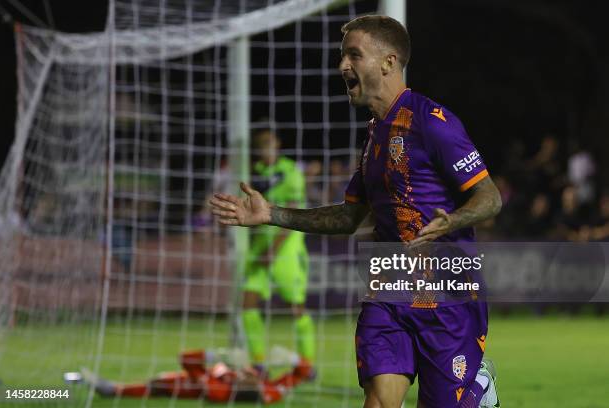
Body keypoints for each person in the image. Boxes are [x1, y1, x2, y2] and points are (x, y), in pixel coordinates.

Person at [211, 15, 502, 408]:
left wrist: (454, 220)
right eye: (342, 55)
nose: (342, 66)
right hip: (390, 285)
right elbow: (349, 216)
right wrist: (272, 214)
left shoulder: (434, 123)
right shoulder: (375, 135)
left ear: (388, 61)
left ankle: (477, 389)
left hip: (447, 292)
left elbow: (489, 197)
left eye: (353, 54)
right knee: (379, 401)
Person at [242, 128, 315, 377]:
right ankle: (259, 364)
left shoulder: (291, 171)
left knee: (296, 308)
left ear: (277, 144)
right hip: (260, 248)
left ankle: (307, 365)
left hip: (287, 248)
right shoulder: (254, 172)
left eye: (269, 143)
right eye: (260, 144)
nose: (265, 148)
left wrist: (274, 250)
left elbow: (293, 213)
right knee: (248, 303)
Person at [80, 348, 313, 403]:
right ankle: (112, 389)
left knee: (157, 386)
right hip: (175, 380)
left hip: (176, 384)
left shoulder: (222, 390)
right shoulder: (238, 378)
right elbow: (303, 372)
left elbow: (187, 358)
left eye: (251, 374)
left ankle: (112, 390)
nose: (247, 372)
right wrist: (294, 360)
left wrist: (214, 354)